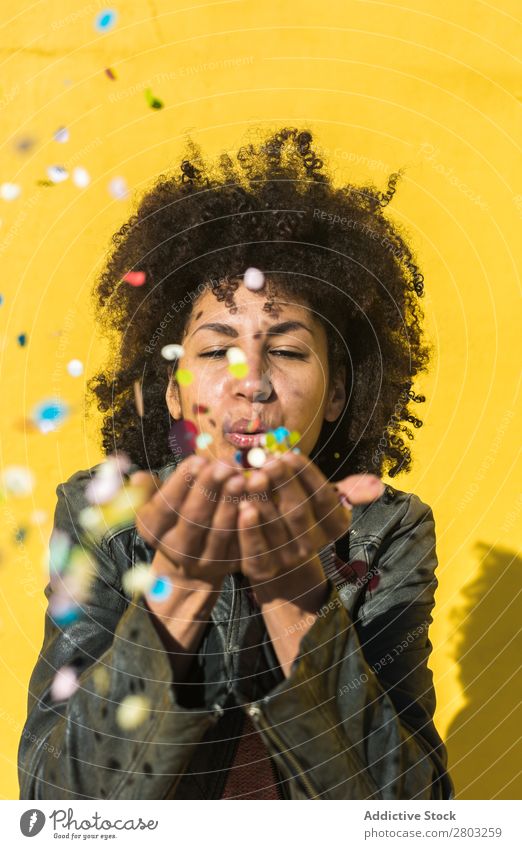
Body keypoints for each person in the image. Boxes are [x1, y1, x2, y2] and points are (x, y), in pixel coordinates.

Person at [18, 127, 454, 800]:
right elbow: (56, 807)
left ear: (338, 391)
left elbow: (413, 817)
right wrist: (176, 593)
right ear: (173, 391)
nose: (249, 382)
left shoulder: (385, 533)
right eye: (218, 349)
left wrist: (296, 596)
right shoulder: (101, 516)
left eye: (285, 349)